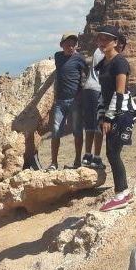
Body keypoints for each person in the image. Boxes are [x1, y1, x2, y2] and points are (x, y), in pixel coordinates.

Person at [95, 26, 136, 212]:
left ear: (115, 42)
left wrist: (108, 117)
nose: (102, 41)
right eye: (100, 38)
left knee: (113, 152)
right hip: (109, 112)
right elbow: (103, 93)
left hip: (121, 113)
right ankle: (122, 192)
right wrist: (100, 114)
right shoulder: (102, 64)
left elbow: (120, 92)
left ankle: (122, 193)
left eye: (107, 39)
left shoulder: (120, 62)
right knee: (112, 152)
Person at [49, 33, 87, 171]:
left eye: (73, 44)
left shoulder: (80, 58)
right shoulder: (58, 56)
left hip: (75, 101)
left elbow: (88, 74)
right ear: (61, 45)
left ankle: (77, 161)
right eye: (67, 44)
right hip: (60, 101)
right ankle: (54, 163)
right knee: (55, 131)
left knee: (77, 130)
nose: (70, 47)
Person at [80, 41, 105, 169]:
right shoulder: (106, 52)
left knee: (89, 124)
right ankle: (96, 158)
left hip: (88, 88)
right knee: (99, 124)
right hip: (98, 89)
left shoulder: (97, 50)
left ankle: (87, 156)